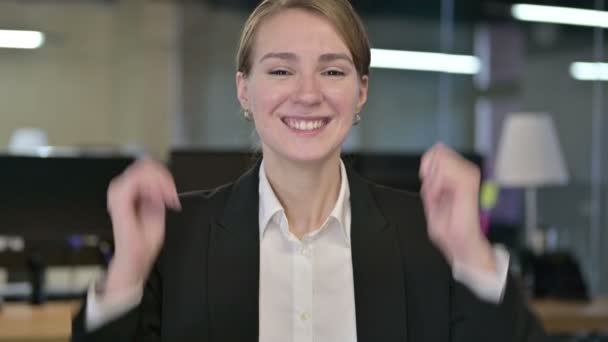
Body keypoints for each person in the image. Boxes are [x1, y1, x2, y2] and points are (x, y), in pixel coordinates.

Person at [71, 0, 547, 341]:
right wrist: (127, 272)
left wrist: (474, 258)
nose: (307, 93)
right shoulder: (174, 234)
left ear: (361, 91)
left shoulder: (429, 235)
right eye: (280, 71)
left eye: (333, 71)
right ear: (244, 90)